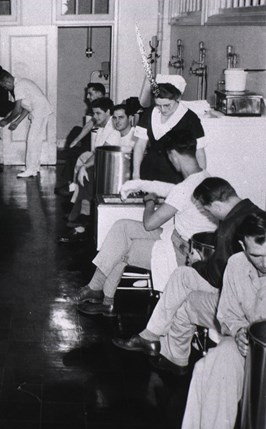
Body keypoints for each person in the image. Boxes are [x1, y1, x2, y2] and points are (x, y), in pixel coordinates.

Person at [112, 178, 261, 375]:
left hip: (241, 303)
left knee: (184, 297)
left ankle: (171, 353)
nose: (209, 215)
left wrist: (197, 262)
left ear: (215, 205)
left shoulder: (229, 226)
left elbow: (217, 276)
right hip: (250, 291)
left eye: (207, 211)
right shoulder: (255, 212)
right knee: (181, 275)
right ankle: (151, 336)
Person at [74, 131, 217, 316]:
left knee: (122, 248)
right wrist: (141, 184)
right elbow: (171, 190)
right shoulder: (204, 178)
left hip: (180, 252)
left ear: (173, 155)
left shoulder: (185, 188)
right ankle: (96, 289)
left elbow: (149, 224)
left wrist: (149, 203)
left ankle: (105, 299)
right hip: (182, 240)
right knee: (122, 227)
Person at [178, 211, 266, 429]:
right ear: (242, 246)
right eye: (257, 256)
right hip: (249, 347)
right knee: (221, 356)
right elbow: (227, 314)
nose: (265, 263)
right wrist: (239, 332)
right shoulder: (236, 265)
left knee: (204, 370)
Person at [59, 102, 136, 243]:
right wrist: (84, 167)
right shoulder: (115, 134)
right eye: (115, 118)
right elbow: (100, 153)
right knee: (88, 172)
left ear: (130, 118)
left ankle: (81, 221)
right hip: (114, 171)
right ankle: (82, 218)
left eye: (121, 118)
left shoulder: (136, 135)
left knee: (90, 176)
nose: (117, 122)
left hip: (129, 175)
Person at [133, 74, 207, 184]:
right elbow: (140, 145)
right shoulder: (149, 113)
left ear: (178, 99)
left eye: (167, 105)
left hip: (176, 176)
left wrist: (200, 180)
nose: (163, 109)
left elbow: (199, 152)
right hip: (148, 171)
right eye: (158, 105)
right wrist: (136, 174)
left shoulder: (190, 118)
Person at [0, 69, 53, 178]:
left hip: (40, 110)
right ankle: (34, 167)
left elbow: (17, 110)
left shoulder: (18, 86)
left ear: (7, 81)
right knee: (35, 140)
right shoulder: (21, 83)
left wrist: (6, 121)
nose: (5, 88)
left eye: (4, 86)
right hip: (41, 110)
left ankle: (30, 169)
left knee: (32, 140)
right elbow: (25, 107)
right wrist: (16, 122)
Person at [55, 82, 106, 195]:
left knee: (75, 152)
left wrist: (77, 141)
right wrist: (76, 140)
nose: (87, 97)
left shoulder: (104, 107)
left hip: (101, 142)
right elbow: (89, 124)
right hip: (94, 137)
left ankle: (72, 185)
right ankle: (71, 182)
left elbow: (92, 126)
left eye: (90, 94)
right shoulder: (96, 106)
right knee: (76, 132)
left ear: (99, 93)